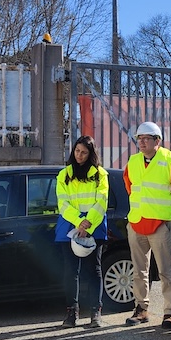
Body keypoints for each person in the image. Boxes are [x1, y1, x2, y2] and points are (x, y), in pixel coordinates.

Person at [125, 121, 171, 328]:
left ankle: (170, 313)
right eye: (139, 139)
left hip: (160, 225)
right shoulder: (132, 162)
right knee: (138, 270)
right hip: (136, 223)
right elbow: (129, 187)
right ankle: (141, 309)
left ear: (157, 141)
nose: (141, 142)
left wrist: (164, 212)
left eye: (146, 139)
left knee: (165, 271)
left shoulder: (170, 160)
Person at [56, 135, 109, 329]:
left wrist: (88, 225)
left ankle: (96, 312)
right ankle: (72, 312)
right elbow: (63, 203)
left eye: (84, 152)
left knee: (93, 270)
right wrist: (80, 223)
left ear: (91, 154)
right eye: (77, 151)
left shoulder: (100, 175)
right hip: (71, 226)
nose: (79, 155)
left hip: (93, 227)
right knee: (71, 272)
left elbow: (102, 202)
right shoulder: (64, 175)